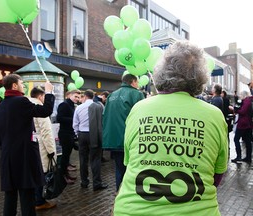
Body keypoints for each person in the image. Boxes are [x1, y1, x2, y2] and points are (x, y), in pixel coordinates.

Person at [113, 41, 228, 215]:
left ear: (161, 71)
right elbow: (216, 175)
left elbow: (130, 163)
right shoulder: (214, 115)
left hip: (133, 210)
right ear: (201, 77)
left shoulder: (139, 109)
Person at [0, 74, 55, 216]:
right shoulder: (21, 101)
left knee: (10, 196)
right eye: (22, 83)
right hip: (24, 156)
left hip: (7, 156)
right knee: (27, 195)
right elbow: (45, 111)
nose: (23, 86)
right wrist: (49, 92)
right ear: (14, 85)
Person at [102, 74, 144, 192]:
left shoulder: (111, 95)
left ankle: (118, 194)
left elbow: (104, 116)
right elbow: (142, 117)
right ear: (133, 82)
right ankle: (130, 196)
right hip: (130, 139)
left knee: (119, 169)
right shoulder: (137, 94)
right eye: (138, 82)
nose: (138, 85)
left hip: (113, 139)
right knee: (132, 170)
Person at [73, 89, 108, 191]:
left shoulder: (79, 107)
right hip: (94, 135)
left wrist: (78, 134)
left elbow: (75, 123)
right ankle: (96, 183)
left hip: (82, 134)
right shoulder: (99, 107)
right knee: (95, 159)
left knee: (83, 159)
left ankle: (84, 182)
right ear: (93, 97)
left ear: (85, 96)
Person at [29, 87, 57, 210]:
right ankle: (39, 201)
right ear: (40, 96)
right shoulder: (39, 107)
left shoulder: (27, 105)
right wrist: (52, 151)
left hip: (31, 145)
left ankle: (35, 199)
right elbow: (46, 132)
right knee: (42, 174)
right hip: (41, 147)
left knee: (35, 173)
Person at [56, 89, 81, 184]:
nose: (77, 99)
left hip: (69, 133)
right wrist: (74, 120)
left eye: (78, 97)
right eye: (75, 96)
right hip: (65, 134)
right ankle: (63, 177)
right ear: (69, 95)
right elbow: (59, 118)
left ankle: (66, 175)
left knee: (67, 157)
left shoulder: (71, 105)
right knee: (65, 157)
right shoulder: (64, 104)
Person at [231, 90, 253, 163]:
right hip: (247, 124)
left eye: (240, 94)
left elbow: (243, 111)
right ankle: (248, 157)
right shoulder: (248, 101)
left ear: (244, 95)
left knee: (236, 139)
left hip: (243, 124)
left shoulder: (246, 101)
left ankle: (239, 156)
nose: (240, 96)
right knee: (247, 141)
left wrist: (236, 110)